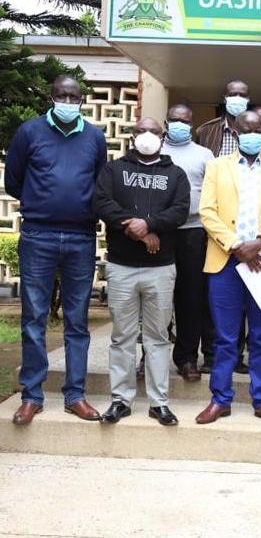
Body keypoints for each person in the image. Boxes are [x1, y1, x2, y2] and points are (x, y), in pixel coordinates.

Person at [5, 75, 107, 425]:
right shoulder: (30, 132)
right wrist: (42, 204)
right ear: (51, 97)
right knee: (34, 317)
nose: (67, 100)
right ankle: (32, 395)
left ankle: (75, 395)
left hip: (81, 237)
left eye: (73, 95)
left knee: (77, 320)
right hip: (38, 235)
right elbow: (13, 179)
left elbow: (99, 181)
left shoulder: (94, 136)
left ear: (81, 100)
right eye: (61, 94)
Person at [195, 111, 261, 427]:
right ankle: (220, 400)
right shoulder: (216, 166)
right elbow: (207, 212)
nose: (252, 133)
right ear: (235, 131)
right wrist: (236, 245)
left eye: (258, 129)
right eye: (246, 128)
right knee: (225, 338)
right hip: (226, 261)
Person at [95, 117, 190, 426]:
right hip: (121, 267)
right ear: (132, 136)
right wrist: (135, 228)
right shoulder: (114, 169)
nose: (147, 136)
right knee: (122, 336)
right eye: (140, 131)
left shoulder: (175, 174)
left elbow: (180, 210)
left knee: (157, 337)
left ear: (163, 138)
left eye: (153, 131)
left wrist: (150, 224)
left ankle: (158, 402)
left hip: (160, 269)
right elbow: (102, 203)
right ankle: (120, 401)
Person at [195, 79, 252, 373]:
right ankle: (211, 354)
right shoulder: (206, 131)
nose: (238, 98)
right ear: (224, 97)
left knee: (243, 297)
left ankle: (237, 355)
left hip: (248, 230)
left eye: (243, 94)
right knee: (213, 296)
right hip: (212, 226)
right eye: (233, 94)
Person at [160, 104, 215, 380]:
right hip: (159, 233)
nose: (179, 124)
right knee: (157, 297)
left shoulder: (205, 155)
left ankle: (187, 357)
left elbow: (214, 194)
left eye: (185, 120)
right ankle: (152, 356)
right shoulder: (154, 151)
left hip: (194, 232)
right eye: (174, 120)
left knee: (190, 298)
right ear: (166, 122)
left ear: (192, 124)